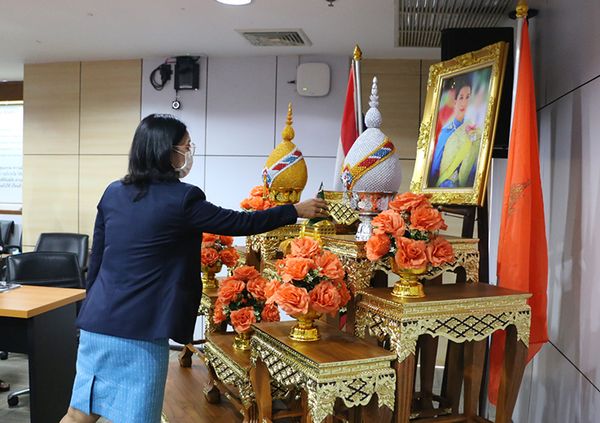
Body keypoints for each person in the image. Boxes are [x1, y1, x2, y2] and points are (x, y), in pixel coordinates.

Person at [60, 114, 328, 423]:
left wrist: (89, 310)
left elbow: (97, 261)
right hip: (141, 333)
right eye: (186, 146)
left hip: (98, 323)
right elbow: (239, 222)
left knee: (78, 414)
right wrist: (292, 210)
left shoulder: (113, 192)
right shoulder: (182, 199)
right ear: (167, 151)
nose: (190, 153)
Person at [428, 75, 481, 188]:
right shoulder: (446, 132)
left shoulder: (475, 130)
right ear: (455, 100)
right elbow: (435, 169)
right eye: (461, 97)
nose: (464, 102)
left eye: (468, 97)